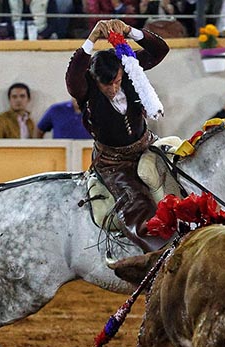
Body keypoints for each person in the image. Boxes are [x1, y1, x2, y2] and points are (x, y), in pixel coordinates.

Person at [65, 18, 169, 253]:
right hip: (113, 161)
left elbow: (160, 49)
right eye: (106, 85)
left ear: (122, 71)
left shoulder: (128, 62)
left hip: (148, 145)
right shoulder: (85, 86)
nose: (113, 89)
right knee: (136, 207)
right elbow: (72, 78)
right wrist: (92, 39)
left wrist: (129, 31)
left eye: (117, 82)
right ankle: (157, 256)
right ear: (95, 79)